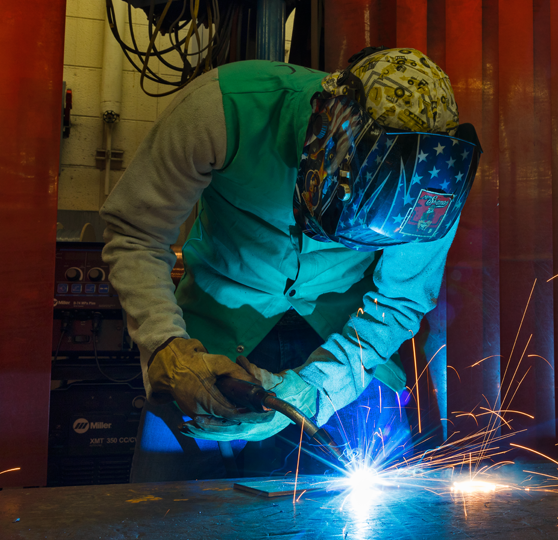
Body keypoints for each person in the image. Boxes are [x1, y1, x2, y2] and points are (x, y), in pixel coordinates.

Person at [100, 47, 481, 482]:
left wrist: (316, 389)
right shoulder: (221, 109)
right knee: (161, 511)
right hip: (207, 339)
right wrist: (165, 346)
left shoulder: (435, 182)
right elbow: (136, 234)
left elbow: (400, 300)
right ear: (326, 131)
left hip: (346, 343)